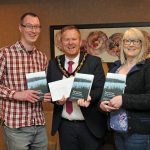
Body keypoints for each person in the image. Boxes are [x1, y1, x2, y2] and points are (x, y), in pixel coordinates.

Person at [46, 25, 107, 150]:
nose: (70, 43)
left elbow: (101, 89)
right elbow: (50, 90)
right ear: (61, 43)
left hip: (89, 125)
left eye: (74, 39)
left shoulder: (93, 62)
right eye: (66, 39)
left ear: (80, 42)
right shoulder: (53, 63)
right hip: (65, 126)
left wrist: (89, 97)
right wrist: (57, 100)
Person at [0, 12, 49, 150]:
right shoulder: (5, 54)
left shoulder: (42, 57)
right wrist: (17, 94)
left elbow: (41, 89)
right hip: (16, 126)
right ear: (20, 28)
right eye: (29, 26)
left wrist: (48, 95)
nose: (34, 30)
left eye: (37, 27)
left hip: (39, 124)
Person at [99, 28, 150, 150]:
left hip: (138, 133)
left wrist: (124, 99)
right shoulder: (115, 67)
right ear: (122, 45)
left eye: (136, 41)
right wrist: (102, 105)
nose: (131, 44)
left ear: (142, 44)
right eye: (127, 41)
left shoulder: (147, 67)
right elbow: (106, 94)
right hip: (116, 131)